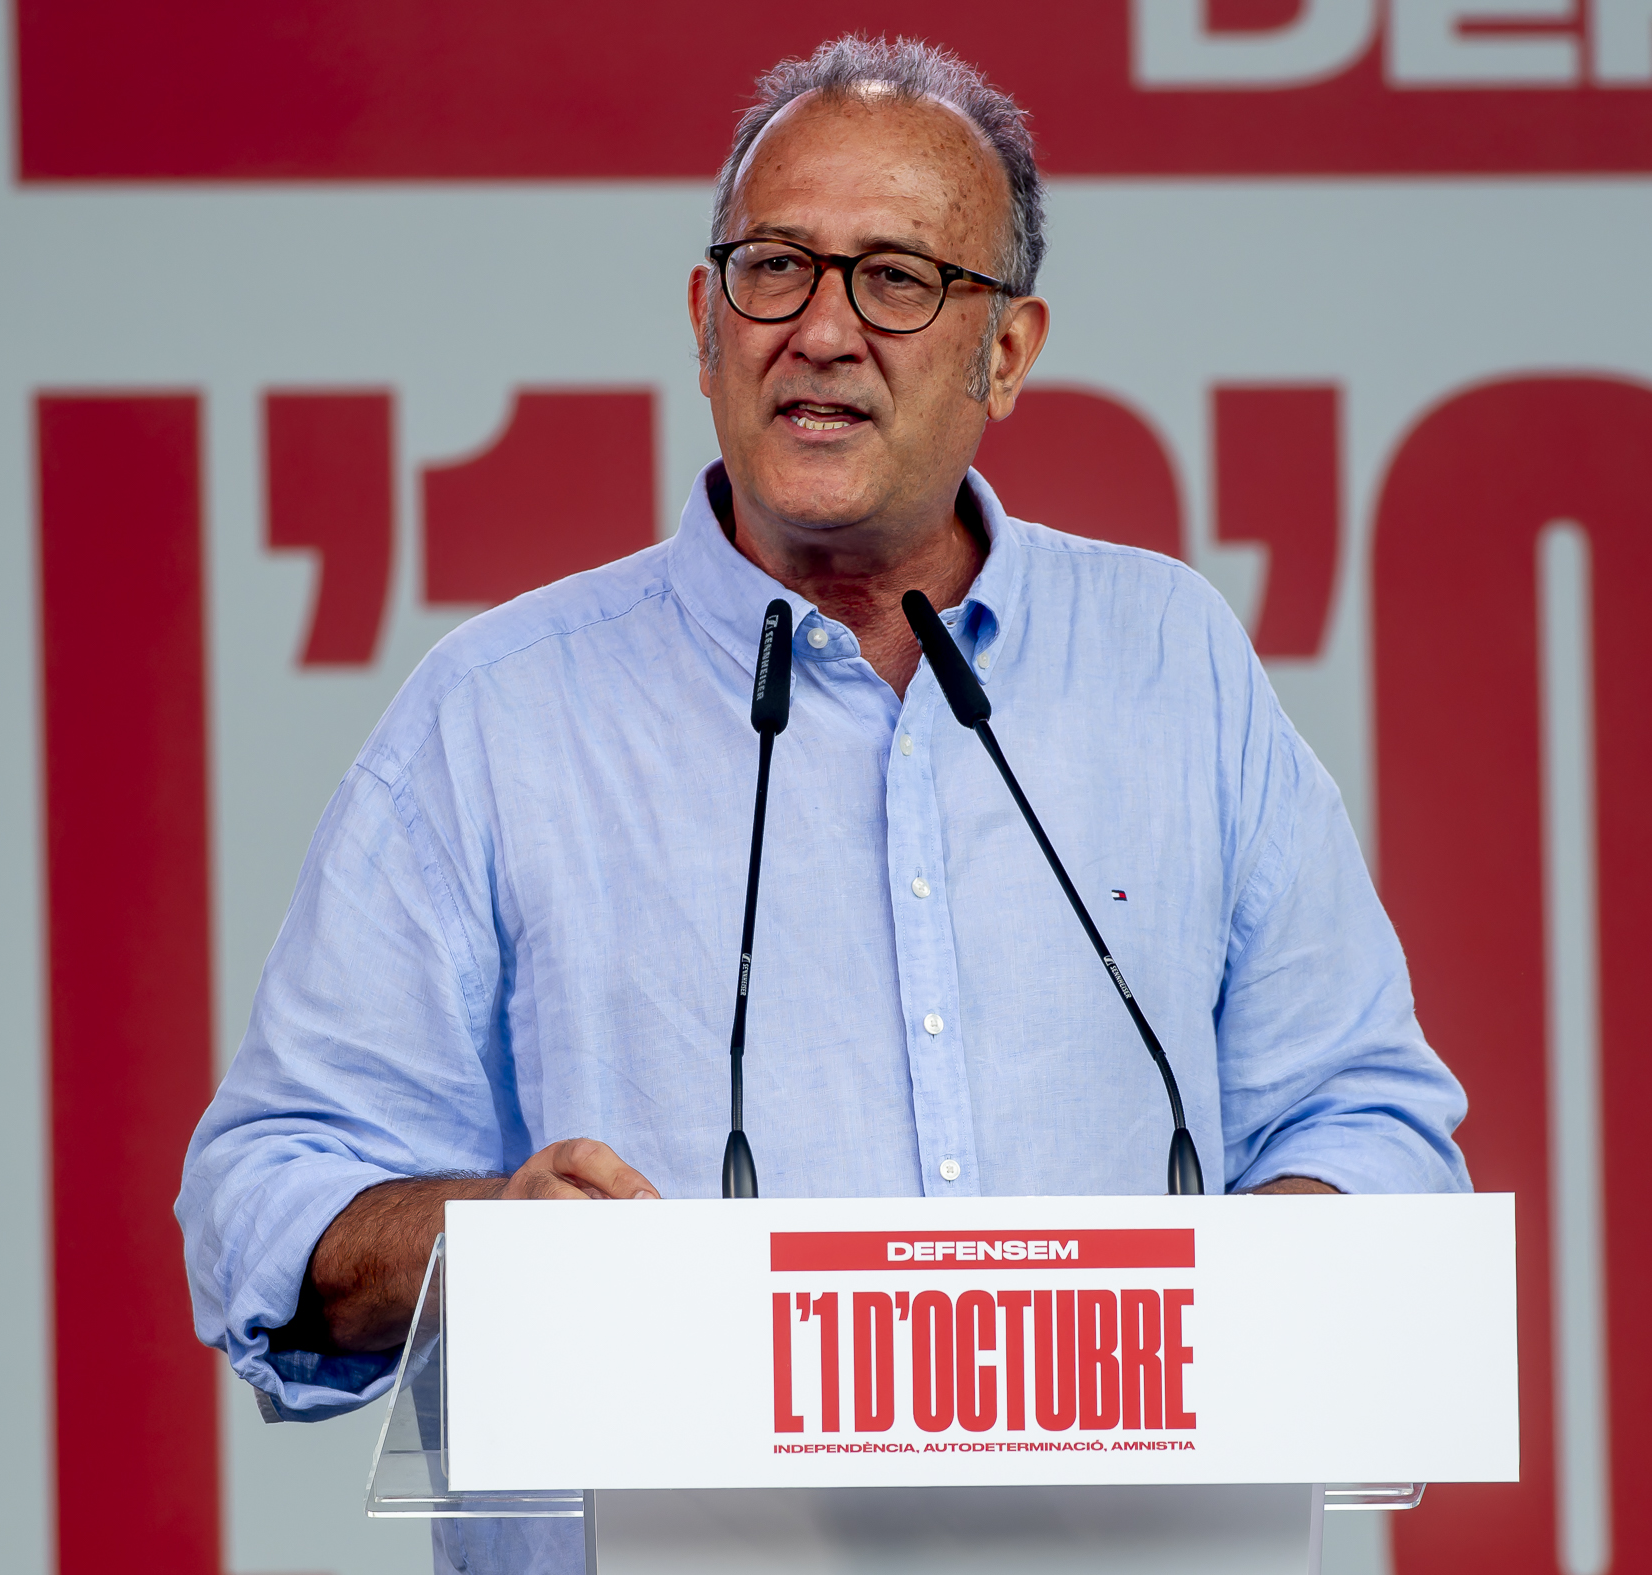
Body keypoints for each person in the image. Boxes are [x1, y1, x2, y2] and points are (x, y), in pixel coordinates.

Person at [178, 33, 1467, 1572]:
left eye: (900, 279)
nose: (825, 332)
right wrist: (490, 1245)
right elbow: (265, 1201)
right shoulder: (501, 716)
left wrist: (1229, 1291)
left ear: (1008, 352)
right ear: (706, 324)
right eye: (776, 269)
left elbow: (1375, 1120)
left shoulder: (1169, 662)